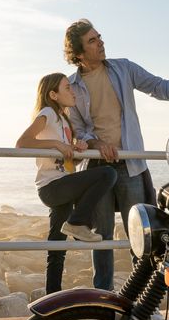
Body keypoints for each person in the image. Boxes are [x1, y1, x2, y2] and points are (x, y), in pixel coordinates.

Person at [63, 18, 169, 291]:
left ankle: (142, 300)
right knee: (102, 238)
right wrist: (97, 143)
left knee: (142, 235)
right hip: (97, 170)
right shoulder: (71, 87)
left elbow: (163, 88)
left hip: (129, 165)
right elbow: (77, 131)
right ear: (79, 53)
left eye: (100, 37)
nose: (101, 43)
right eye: (93, 41)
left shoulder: (123, 68)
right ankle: (103, 299)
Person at [16, 72, 118, 294]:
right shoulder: (48, 113)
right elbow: (22, 142)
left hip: (61, 183)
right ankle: (79, 221)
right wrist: (57, 144)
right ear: (53, 94)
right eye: (67, 88)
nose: (72, 91)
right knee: (107, 174)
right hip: (52, 187)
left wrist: (77, 150)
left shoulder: (64, 119)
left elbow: (66, 162)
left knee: (57, 247)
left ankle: (51, 299)